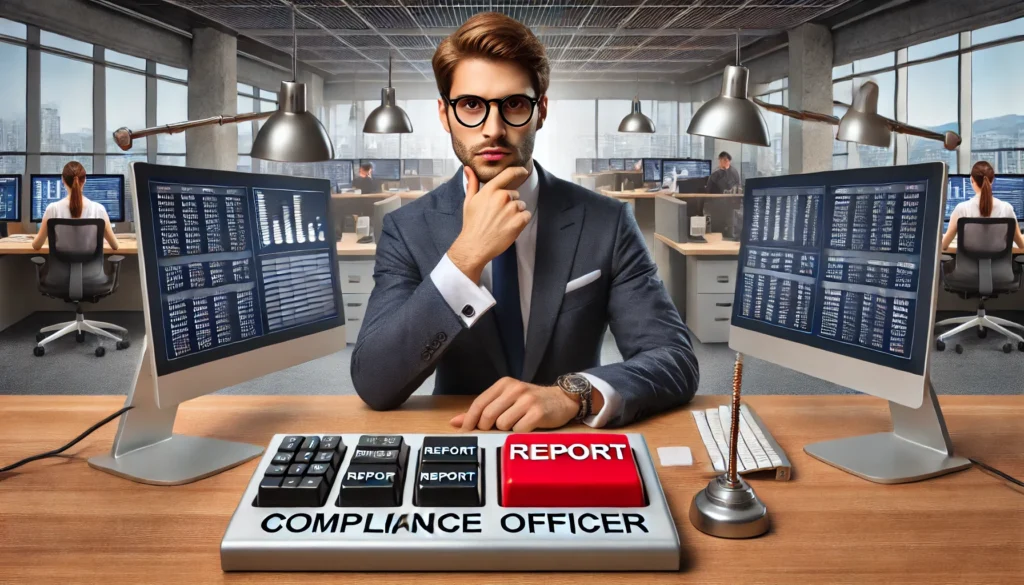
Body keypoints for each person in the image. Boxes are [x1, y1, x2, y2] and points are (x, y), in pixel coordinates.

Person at [350, 12, 699, 432]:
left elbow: (674, 359)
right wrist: (465, 257)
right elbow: (374, 381)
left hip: (569, 440)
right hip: (461, 437)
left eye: (514, 104)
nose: (493, 129)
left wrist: (572, 394)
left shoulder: (607, 222)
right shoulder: (407, 229)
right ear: (444, 114)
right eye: (471, 105)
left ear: (541, 110)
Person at [32, 161, 118, 251]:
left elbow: (36, 245)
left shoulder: (52, 209)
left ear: (63, 180)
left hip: (61, 261)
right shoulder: (99, 210)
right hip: (90, 261)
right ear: (85, 180)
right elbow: (115, 245)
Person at [942, 161, 1024, 252]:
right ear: (992, 180)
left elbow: (943, 245)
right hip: (999, 261)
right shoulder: (1006, 208)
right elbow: (1021, 244)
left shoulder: (961, 209)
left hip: (968, 262)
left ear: (971, 180)